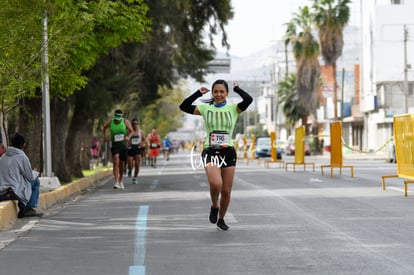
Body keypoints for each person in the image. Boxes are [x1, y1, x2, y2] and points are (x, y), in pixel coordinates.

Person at [179, 79, 253, 230]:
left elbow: (249, 100)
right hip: (210, 151)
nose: (219, 94)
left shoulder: (234, 109)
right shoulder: (205, 108)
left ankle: (221, 218)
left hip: (228, 152)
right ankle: (214, 205)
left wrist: (237, 89)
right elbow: (184, 106)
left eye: (222, 92)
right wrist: (198, 93)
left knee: (226, 191)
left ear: (226, 93)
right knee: (216, 183)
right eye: (216, 92)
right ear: (212, 93)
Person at [0, 133, 43, 218]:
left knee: (21, 183)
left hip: (2, 191)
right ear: (23, 145)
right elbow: (30, 177)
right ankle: (28, 208)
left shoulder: (4, 156)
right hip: (13, 192)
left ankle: (23, 208)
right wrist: (34, 172)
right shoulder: (22, 156)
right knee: (36, 181)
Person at [103, 109, 133, 190]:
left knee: (122, 164)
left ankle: (120, 180)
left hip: (123, 145)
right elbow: (104, 128)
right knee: (116, 161)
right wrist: (105, 136)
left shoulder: (125, 122)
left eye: (118, 119)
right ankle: (116, 182)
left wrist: (128, 137)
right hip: (115, 145)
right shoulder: (110, 122)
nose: (117, 120)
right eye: (116, 118)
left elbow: (131, 131)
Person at [127, 118, 146, 184]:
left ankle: (135, 178)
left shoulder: (141, 132)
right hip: (130, 149)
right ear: (131, 125)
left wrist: (142, 144)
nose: (135, 125)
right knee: (130, 163)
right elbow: (126, 138)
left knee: (137, 165)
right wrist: (128, 143)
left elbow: (144, 140)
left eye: (136, 123)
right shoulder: (129, 131)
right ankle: (129, 169)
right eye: (133, 124)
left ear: (138, 124)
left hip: (138, 149)